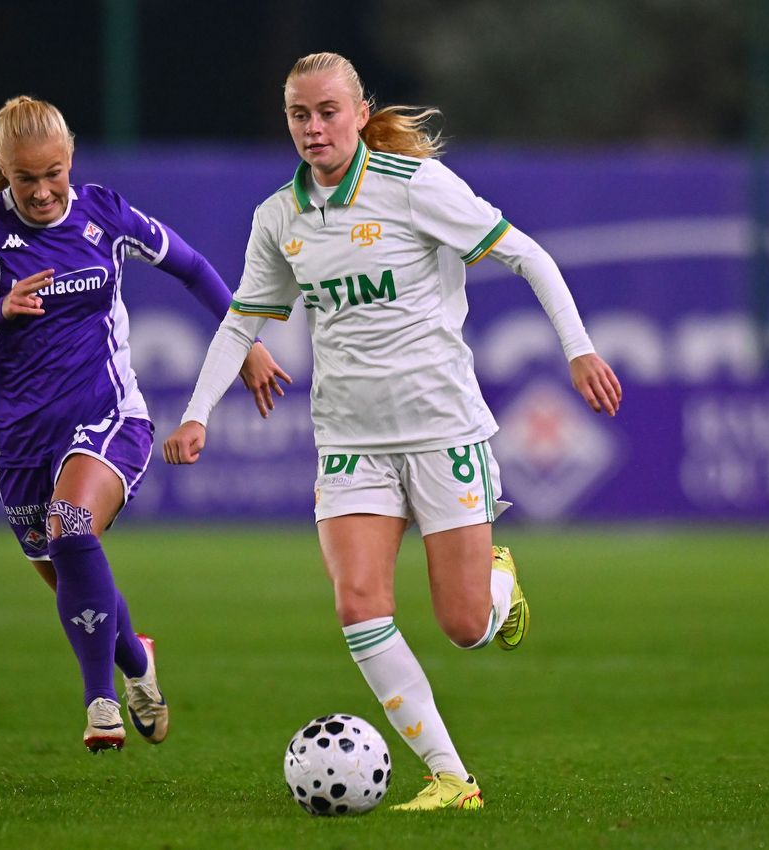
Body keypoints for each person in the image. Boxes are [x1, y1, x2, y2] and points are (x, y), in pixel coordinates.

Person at [163, 53, 621, 810]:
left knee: (465, 626)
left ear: (358, 110)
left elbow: (527, 255)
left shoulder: (414, 189)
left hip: (442, 431)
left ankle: (497, 583)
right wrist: (196, 412)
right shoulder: (280, 217)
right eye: (299, 115)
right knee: (357, 606)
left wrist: (578, 350)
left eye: (327, 112)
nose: (313, 128)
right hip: (348, 441)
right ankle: (450, 777)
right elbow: (243, 319)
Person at [0, 96, 289, 753]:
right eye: (24, 178)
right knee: (68, 564)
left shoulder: (103, 214)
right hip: (15, 437)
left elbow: (193, 267)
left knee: (72, 524)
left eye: (53, 173)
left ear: (71, 159)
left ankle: (100, 703)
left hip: (107, 414)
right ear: (2, 169)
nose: (41, 191)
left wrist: (249, 342)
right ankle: (137, 660)